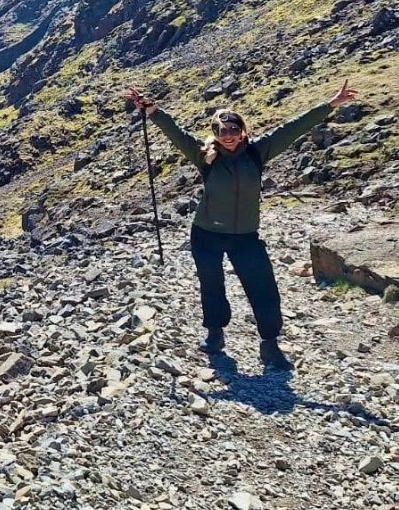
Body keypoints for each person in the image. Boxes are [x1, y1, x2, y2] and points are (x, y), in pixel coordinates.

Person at [125, 81, 358, 370]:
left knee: (263, 286)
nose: (229, 136)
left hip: (245, 236)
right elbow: (176, 134)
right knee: (211, 284)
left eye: (234, 130)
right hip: (206, 234)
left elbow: (292, 128)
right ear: (215, 133)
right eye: (222, 131)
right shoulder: (204, 156)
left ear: (242, 130)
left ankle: (270, 344)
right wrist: (153, 111)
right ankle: (215, 334)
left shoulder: (258, 152)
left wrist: (330, 104)